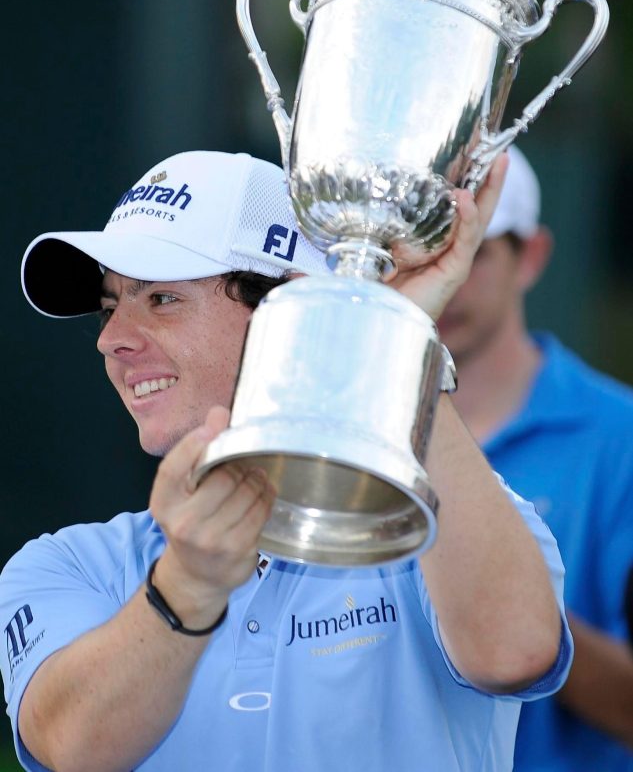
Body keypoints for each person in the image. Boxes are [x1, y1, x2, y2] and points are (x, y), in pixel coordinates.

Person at [1, 149, 571, 772]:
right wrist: (188, 584)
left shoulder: (435, 528)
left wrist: (394, 333)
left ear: (285, 307)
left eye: (161, 299)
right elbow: (73, 746)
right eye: (112, 307)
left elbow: (514, 652)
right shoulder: (70, 565)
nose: (112, 339)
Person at [437, 146, 633, 771]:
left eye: (475, 252)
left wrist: (510, 604)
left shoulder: (620, 436)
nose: (444, 276)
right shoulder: (345, 433)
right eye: (423, 249)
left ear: (533, 257)